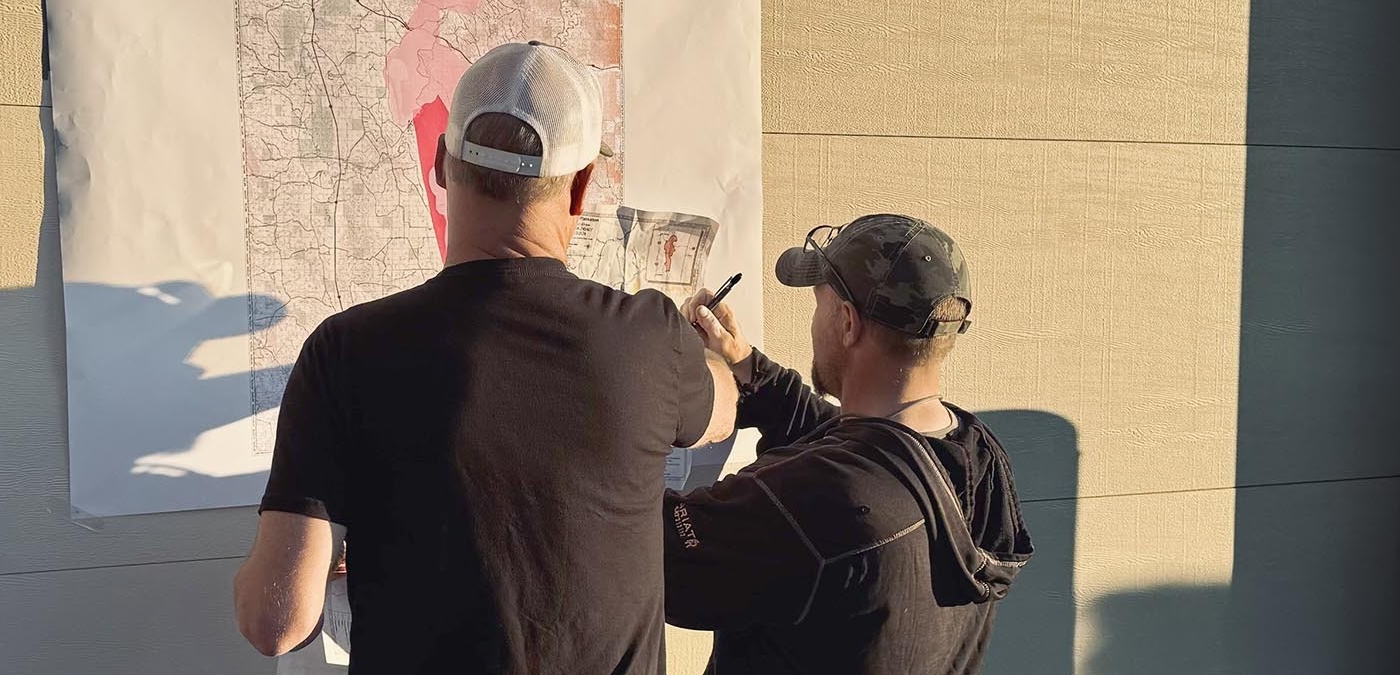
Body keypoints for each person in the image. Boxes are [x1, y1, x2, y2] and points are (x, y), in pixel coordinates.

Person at [233, 41, 738, 674]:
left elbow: (275, 624)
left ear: (441, 164)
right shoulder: (650, 336)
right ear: (580, 189)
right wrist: (713, 358)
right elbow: (721, 411)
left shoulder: (345, 352)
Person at [663, 214, 1033, 675]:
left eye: (818, 306)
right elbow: (852, 441)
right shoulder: (973, 455)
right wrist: (745, 364)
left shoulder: (822, 496)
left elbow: (647, 554)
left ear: (846, 322)